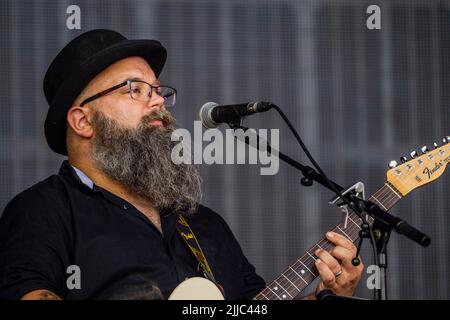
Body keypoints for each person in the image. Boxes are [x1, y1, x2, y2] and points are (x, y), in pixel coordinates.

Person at [0, 29, 363, 300]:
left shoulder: (204, 224)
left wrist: (332, 293)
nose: (158, 101)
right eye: (134, 89)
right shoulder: (42, 211)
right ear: (83, 121)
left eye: (158, 90)